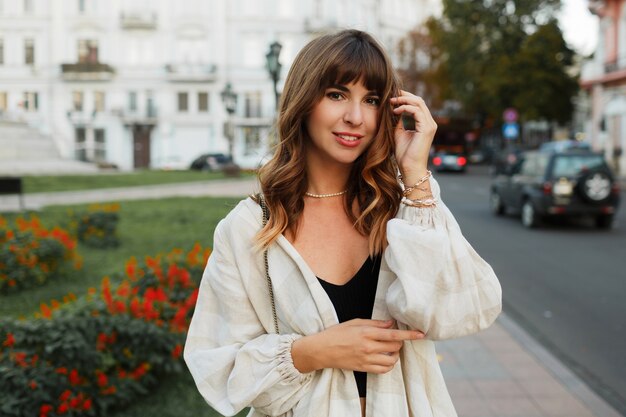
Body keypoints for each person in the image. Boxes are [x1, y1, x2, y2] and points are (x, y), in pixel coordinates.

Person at [184, 29, 502, 417]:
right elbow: (216, 364)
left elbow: (457, 311)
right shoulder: (250, 227)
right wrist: (311, 352)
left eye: (371, 100)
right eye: (336, 94)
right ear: (304, 101)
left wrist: (415, 174)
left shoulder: (403, 206)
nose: (355, 117)